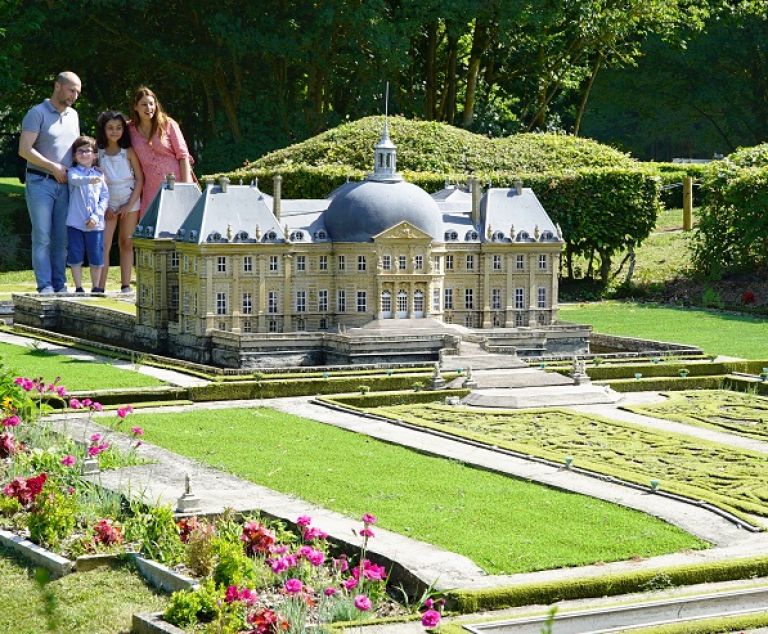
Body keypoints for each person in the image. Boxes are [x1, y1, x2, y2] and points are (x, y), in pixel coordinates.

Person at [18, 71, 82, 294]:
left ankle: (60, 283)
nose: (75, 95)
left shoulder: (73, 115)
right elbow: (24, 150)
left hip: (66, 185)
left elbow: (77, 150)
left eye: (78, 92)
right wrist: (52, 166)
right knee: (43, 236)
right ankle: (44, 285)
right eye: (71, 90)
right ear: (57, 86)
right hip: (40, 182)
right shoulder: (36, 113)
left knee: (61, 239)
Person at [95, 111, 143, 293]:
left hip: (129, 202)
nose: (114, 131)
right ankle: (99, 285)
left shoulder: (128, 152)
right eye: (110, 128)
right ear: (103, 129)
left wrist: (128, 206)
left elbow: (139, 179)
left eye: (119, 127)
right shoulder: (98, 153)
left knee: (126, 242)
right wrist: (104, 206)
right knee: (104, 245)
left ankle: (126, 285)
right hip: (107, 203)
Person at [128, 86, 194, 217]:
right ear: (136, 107)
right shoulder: (129, 129)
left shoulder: (167, 124)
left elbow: (183, 156)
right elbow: (112, 131)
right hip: (151, 189)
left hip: (177, 183)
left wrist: (186, 187)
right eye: (144, 104)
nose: (149, 108)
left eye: (151, 104)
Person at [66, 136, 108, 294]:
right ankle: (78, 287)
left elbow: (104, 197)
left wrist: (96, 216)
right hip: (75, 222)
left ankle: (96, 286)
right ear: (75, 155)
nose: (84, 154)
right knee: (75, 254)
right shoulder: (73, 172)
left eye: (88, 151)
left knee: (96, 255)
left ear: (95, 155)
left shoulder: (99, 174)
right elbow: (76, 181)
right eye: (80, 151)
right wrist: (93, 179)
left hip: (95, 224)